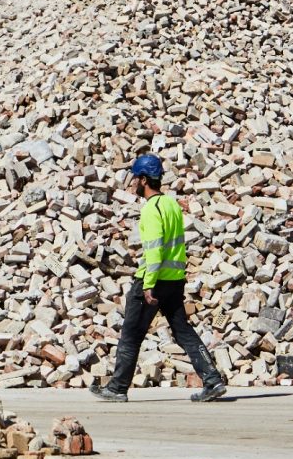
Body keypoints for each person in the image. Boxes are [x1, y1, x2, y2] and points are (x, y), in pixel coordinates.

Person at [92, 154, 228, 402]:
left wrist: (148, 285)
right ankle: (212, 380)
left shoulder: (151, 209)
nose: (133, 183)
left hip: (154, 281)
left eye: (135, 178)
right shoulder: (171, 205)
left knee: (131, 333)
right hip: (175, 280)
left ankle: (117, 388)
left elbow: (154, 252)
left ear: (143, 179)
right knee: (183, 330)